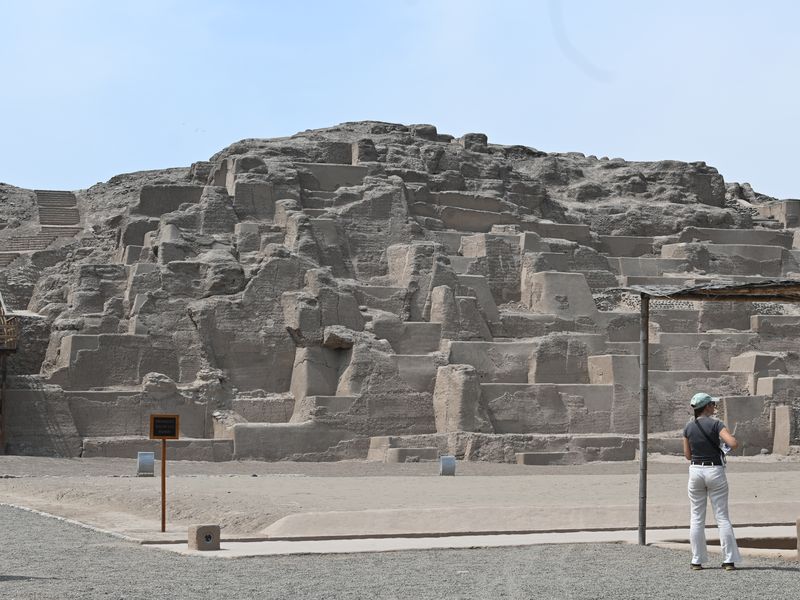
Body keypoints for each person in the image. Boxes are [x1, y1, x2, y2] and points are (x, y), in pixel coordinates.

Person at [683, 392, 741, 571]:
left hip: (696, 470)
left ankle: (696, 560)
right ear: (707, 406)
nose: (714, 407)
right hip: (714, 470)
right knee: (722, 517)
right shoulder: (716, 424)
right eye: (712, 405)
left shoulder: (688, 427)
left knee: (696, 517)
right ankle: (729, 560)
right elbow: (733, 443)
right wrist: (723, 447)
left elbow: (687, 455)